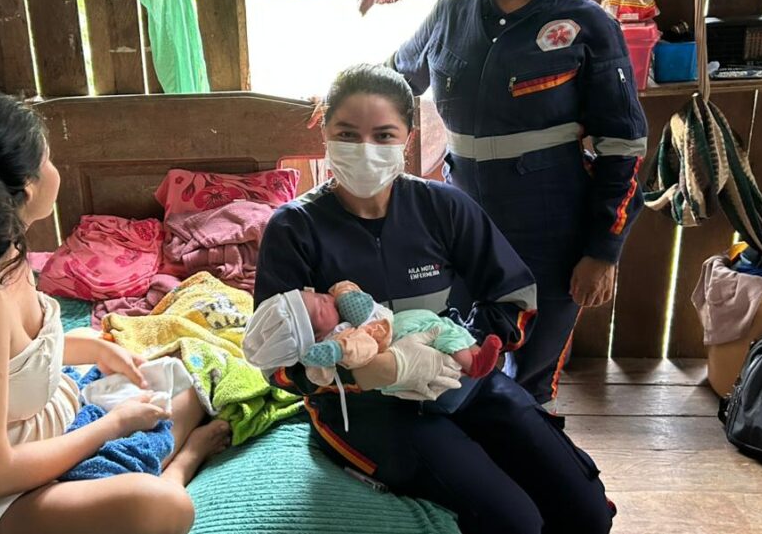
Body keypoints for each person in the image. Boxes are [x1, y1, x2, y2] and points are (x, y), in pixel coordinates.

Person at [249, 64, 613, 534]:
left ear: (408, 137)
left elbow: (514, 297)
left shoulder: (443, 207)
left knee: (586, 512)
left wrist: (460, 350)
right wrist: (364, 372)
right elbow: (275, 361)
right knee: (516, 522)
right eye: (347, 134)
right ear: (324, 133)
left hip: (460, 380)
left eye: (383, 135)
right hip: (367, 410)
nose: (366, 149)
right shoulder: (293, 229)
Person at [0, 95, 230, 534]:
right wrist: (112, 426)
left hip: (45, 430)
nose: (55, 170)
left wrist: (95, 349)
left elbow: (2, 363)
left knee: (184, 379)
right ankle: (179, 466)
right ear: (26, 189)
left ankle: (131, 466)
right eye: (47, 159)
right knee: (165, 506)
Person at [389, 0, 649, 406]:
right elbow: (395, 81)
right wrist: (345, 100)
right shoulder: (451, 12)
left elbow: (623, 146)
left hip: (553, 232)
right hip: (462, 224)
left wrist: (602, 250)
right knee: (459, 356)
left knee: (531, 375)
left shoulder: (591, 26)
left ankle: (531, 446)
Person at [296, 282, 503, 380]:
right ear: (318, 336)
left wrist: (345, 296)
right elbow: (361, 348)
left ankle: (474, 351)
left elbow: (344, 287)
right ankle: (473, 365)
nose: (325, 301)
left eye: (320, 297)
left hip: (394, 323)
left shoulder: (446, 206)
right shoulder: (341, 336)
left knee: (442, 322)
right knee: (436, 328)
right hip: (392, 343)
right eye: (319, 311)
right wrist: (338, 352)